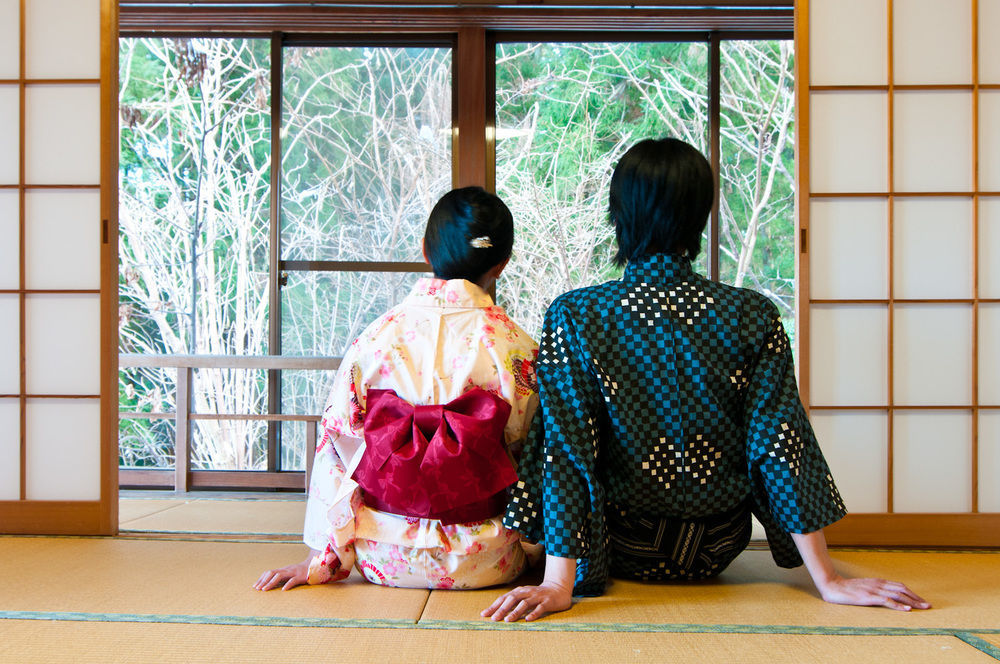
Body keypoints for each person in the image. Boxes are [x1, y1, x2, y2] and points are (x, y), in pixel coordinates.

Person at [482, 138, 930, 622]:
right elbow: (779, 443)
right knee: (773, 427)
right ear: (701, 215)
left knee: (557, 426)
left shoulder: (577, 314)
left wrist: (556, 584)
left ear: (619, 214)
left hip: (621, 544)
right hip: (719, 545)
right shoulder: (752, 314)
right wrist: (828, 579)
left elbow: (569, 450)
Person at [255, 187, 538, 591]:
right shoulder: (517, 348)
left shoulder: (374, 339)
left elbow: (337, 443)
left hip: (381, 556)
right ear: (503, 263)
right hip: (487, 561)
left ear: (425, 250)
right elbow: (538, 453)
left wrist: (323, 558)